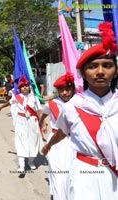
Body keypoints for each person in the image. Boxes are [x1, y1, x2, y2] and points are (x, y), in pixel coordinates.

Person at [42, 22, 118, 199]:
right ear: (83, 73)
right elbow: (62, 132)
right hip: (85, 173)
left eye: (107, 65)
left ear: (115, 72)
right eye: (92, 67)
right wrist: (48, 145)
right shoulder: (72, 107)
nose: (100, 72)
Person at [39, 73, 75, 200]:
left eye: (68, 89)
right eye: (61, 90)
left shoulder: (78, 102)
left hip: (73, 141)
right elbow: (43, 114)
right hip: (56, 141)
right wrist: (42, 123)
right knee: (58, 173)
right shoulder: (52, 103)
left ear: (73, 89)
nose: (65, 93)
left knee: (71, 173)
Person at [12, 75, 44, 176]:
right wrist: (0, 107)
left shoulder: (34, 97)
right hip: (21, 122)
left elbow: (39, 110)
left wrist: (43, 123)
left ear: (29, 87)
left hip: (32, 121)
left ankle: (31, 161)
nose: (25, 87)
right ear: (19, 88)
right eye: (23, 86)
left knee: (32, 142)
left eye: (27, 85)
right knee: (20, 142)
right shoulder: (16, 97)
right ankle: (21, 166)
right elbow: (9, 104)